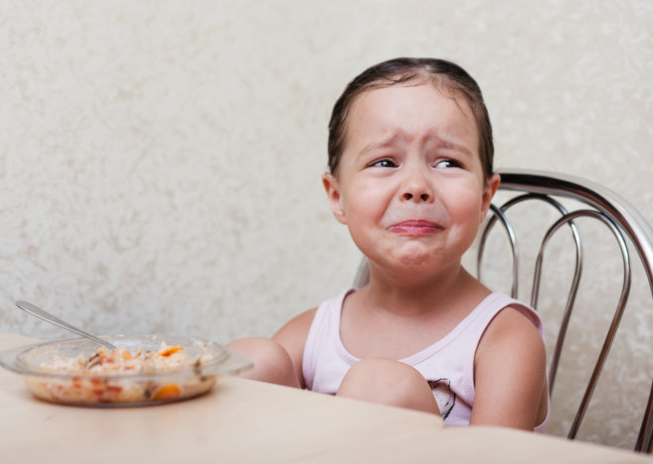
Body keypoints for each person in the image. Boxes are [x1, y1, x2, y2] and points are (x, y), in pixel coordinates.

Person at [227, 57, 549, 431]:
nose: (416, 186)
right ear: (337, 197)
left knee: (380, 389)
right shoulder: (313, 334)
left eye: (447, 162)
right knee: (249, 361)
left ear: (483, 197)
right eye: (383, 162)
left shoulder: (505, 339)